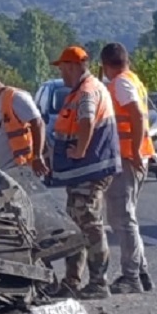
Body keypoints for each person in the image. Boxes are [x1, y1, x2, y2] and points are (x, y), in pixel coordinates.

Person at [48, 45, 122, 300]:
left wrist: (79, 151)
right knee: (75, 225)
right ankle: (72, 281)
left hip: (91, 169)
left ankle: (98, 283)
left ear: (73, 66)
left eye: (63, 68)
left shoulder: (88, 91)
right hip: (83, 171)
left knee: (89, 224)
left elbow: (87, 120)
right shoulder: (84, 89)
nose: (61, 74)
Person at [99, 43, 156, 294]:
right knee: (124, 216)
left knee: (122, 218)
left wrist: (133, 150)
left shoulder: (121, 83)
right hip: (133, 156)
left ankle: (131, 276)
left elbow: (137, 115)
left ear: (105, 65)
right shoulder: (132, 80)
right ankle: (140, 273)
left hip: (128, 158)